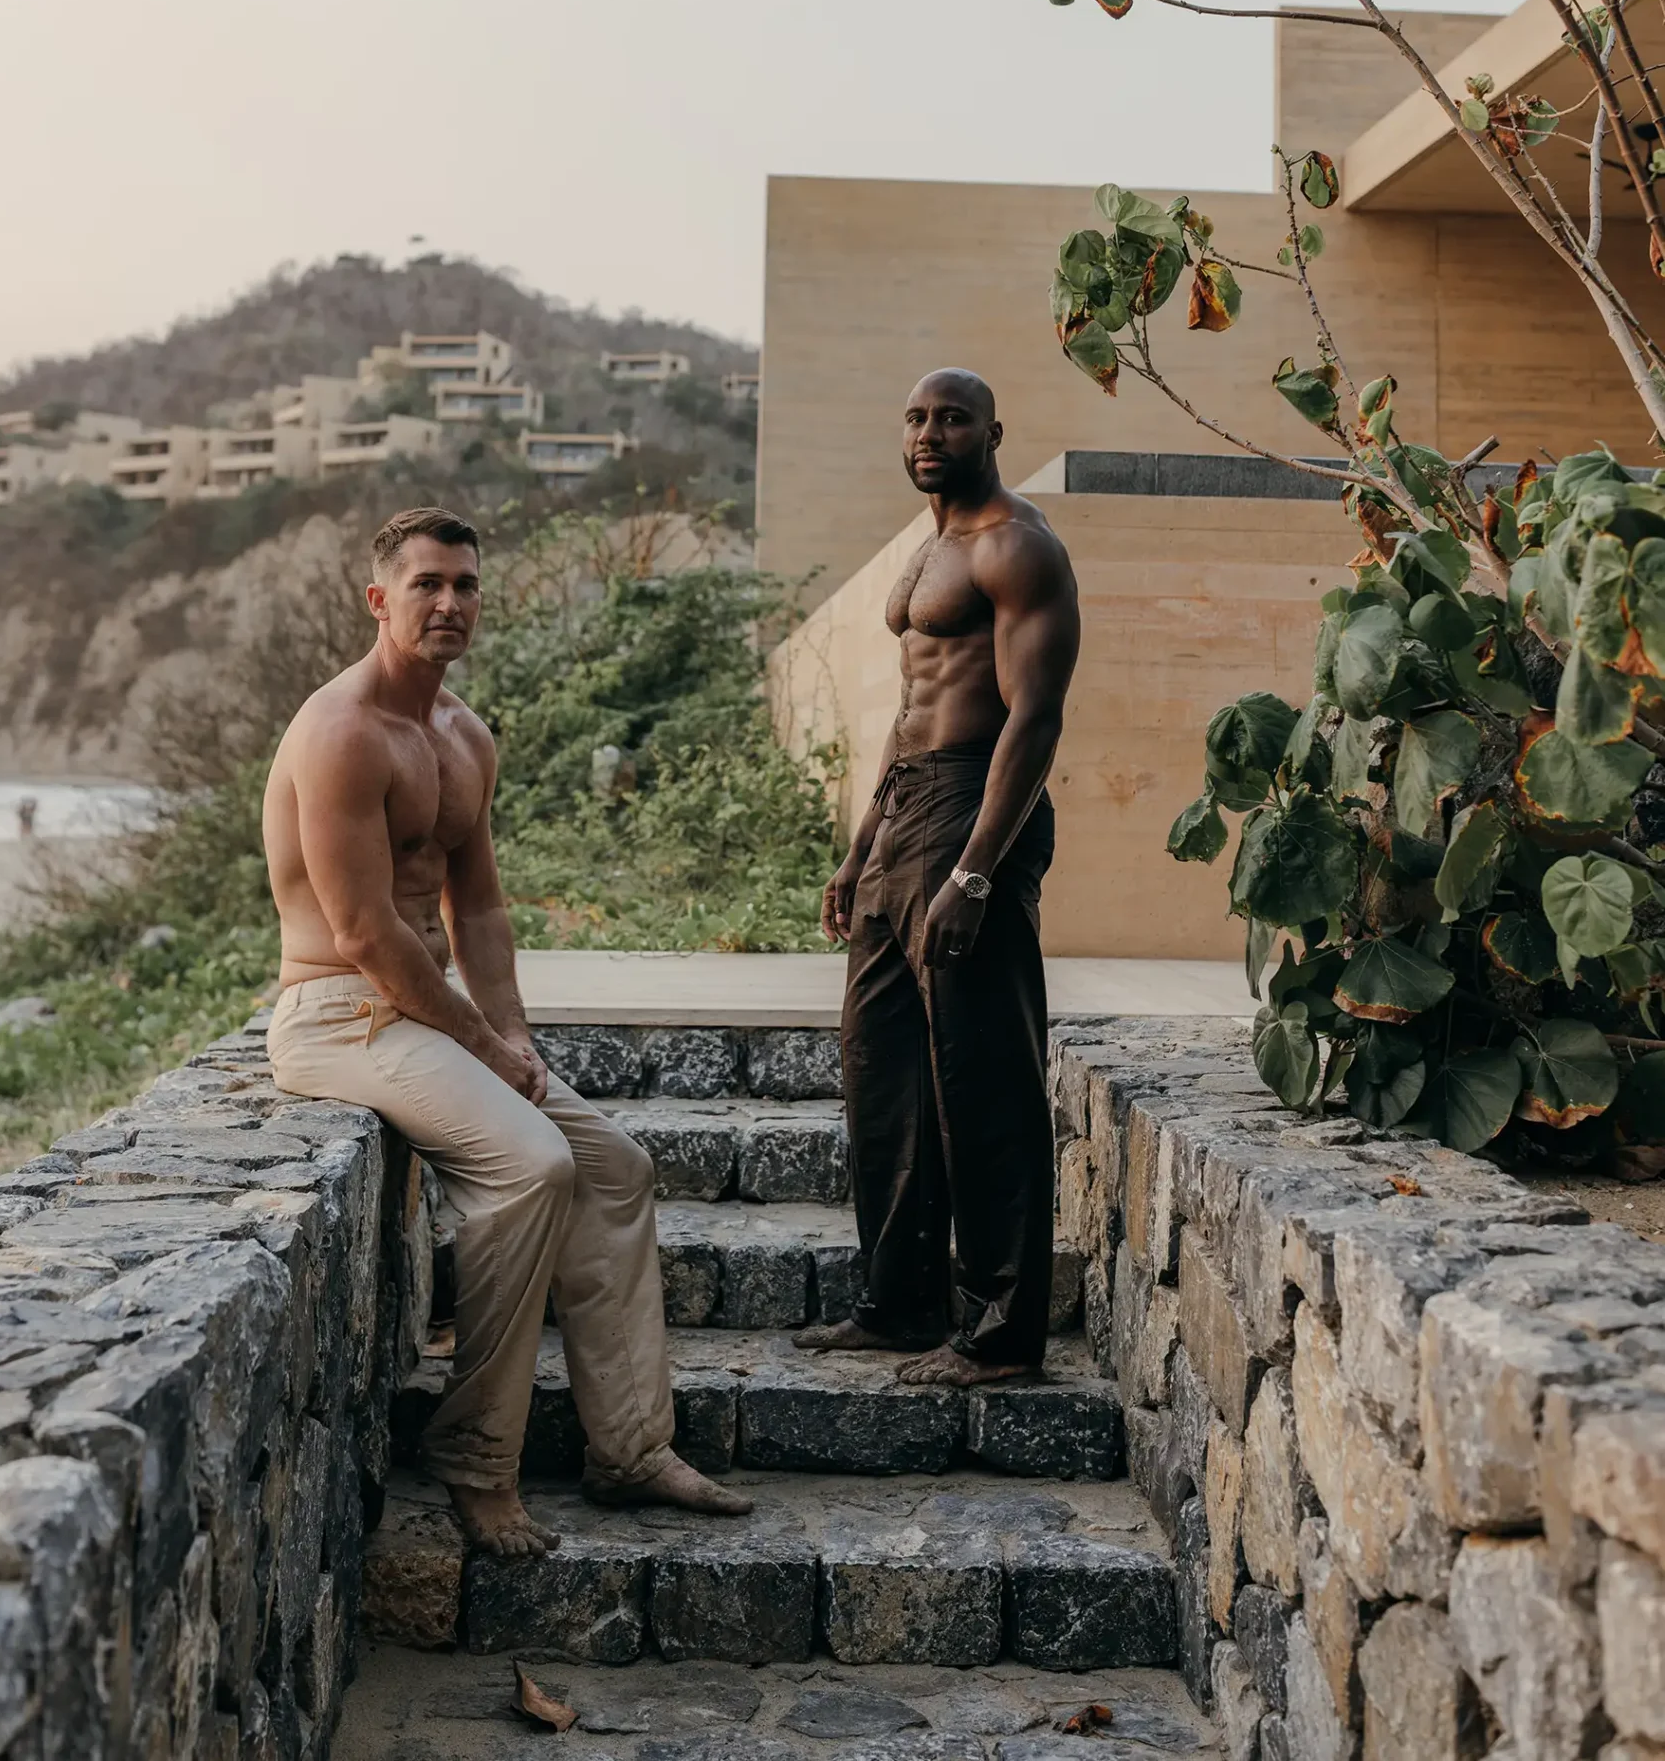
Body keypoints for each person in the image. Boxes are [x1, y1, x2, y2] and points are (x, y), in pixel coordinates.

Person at [262, 506, 751, 1555]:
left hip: (425, 1019)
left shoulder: (463, 735)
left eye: (467, 584)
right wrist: (484, 1049)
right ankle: (477, 1458)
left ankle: (629, 1448)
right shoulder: (340, 731)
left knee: (613, 1165)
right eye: (427, 583)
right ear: (378, 597)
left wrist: (513, 1038)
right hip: (336, 1015)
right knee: (532, 1167)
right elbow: (364, 931)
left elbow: (474, 911)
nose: (449, 602)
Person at [796, 371, 1080, 1388]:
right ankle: (899, 1300)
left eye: (951, 417)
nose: (929, 432)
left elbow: (1033, 721)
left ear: (992, 432)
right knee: (884, 1071)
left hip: (974, 810)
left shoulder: (1017, 546)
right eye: (916, 416)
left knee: (984, 1076)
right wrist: (862, 841)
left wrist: (975, 872)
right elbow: (912, 713)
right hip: (908, 810)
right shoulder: (930, 549)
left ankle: (1001, 1334)